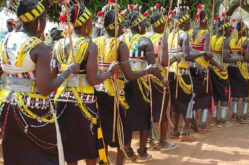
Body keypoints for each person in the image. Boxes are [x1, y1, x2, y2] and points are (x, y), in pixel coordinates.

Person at [0, 0, 79, 164]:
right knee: (45, 157)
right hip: (34, 110)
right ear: (39, 21)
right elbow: (45, 89)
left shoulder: (5, 41)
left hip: (7, 106)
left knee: (15, 156)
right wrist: (68, 71)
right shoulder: (40, 48)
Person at [52, 3, 119, 165]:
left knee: (69, 145)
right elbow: (93, 80)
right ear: (85, 24)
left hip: (61, 101)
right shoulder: (90, 46)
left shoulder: (58, 44)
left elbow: (53, 76)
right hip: (83, 102)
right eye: (89, 21)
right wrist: (110, 72)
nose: (91, 24)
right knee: (90, 145)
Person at [93, 3, 159, 164]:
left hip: (97, 90)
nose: (123, 27)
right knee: (122, 130)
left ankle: (103, 161)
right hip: (116, 92)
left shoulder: (95, 42)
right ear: (116, 26)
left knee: (103, 127)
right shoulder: (119, 45)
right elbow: (129, 74)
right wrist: (147, 71)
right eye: (121, 24)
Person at [121, 4, 165, 161]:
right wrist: (163, 80)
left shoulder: (120, 39)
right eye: (144, 23)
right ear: (138, 25)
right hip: (140, 84)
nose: (146, 25)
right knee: (145, 118)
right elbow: (152, 67)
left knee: (125, 117)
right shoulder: (145, 41)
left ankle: (126, 149)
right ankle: (142, 150)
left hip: (123, 84)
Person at [168, 3, 212, 141]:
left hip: (171, 71)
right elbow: (187, 55)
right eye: (187, 22)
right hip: (182, 71)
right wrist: (203, 53)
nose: (189, 24)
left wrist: (198, 52)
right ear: (182, 23)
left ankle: (175, 130)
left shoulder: (171, 34)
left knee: (175, 101)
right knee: (188, 100)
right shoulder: (184, 35)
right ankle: (185, 131)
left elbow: (186, 51)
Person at [143, 3, 177, 151]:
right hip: (159, 79)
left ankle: (150, 140)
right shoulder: (161, 38)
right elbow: (164, 61)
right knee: (163, 110)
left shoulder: (145, 36)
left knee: (148, 109)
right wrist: (175, 58)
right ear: (162, 25)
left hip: (144, 79)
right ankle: (162, 141)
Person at [188, 4, 225, 131]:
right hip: (202, 68)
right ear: (204, 21)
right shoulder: (206, 33)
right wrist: (219, 65)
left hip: (189, 66)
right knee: (205, 95)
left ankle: (192, 121)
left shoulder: (189, 32)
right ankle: (203, 123)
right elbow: (207, 55)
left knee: (191, 95)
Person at [209, 19, 234, 127]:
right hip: (221, 70)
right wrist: (239, 58)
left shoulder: (212, 38)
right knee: (224, 95)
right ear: (224, 29)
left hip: (211, 68)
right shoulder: (226, 40)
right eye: (229, 28)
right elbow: (226, 59)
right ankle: (223, 121)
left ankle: (214, 120)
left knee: (214, 95)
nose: (231, 30)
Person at [228, 21, 249, 124]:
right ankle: (243, 115)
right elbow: (247, 58)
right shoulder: (247, 41)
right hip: (242, 69)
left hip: (231, 68)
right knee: (245, 93)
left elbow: (228, 55)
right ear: (245, 31)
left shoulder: (231, 41)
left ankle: (234, 114)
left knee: (235, 92)